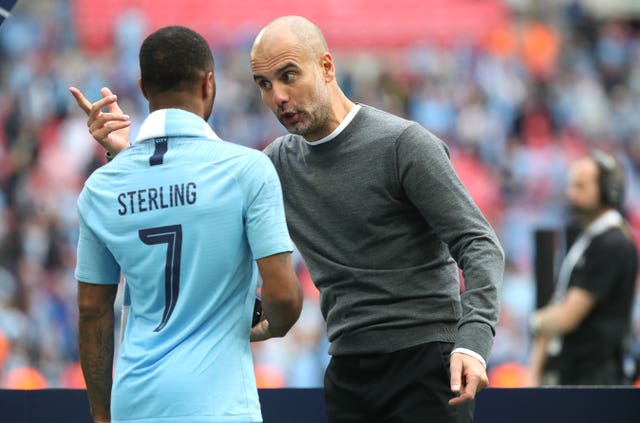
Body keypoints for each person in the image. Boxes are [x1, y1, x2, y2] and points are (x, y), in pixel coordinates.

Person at [73, 16, 504, 423]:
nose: (276, 96)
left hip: (425, 361)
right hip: (346, 369)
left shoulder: (403, 144)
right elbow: (191, 193)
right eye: (264, 83)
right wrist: (127, 158)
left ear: (327, 66)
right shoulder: (273, 163)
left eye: (288, 76)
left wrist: (474, 342)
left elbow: (479, 243)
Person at [72, 25, 302, 423]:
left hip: (134, 402)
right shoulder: (247, 169)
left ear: (143, 88)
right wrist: (268, 327)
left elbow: (92, 310)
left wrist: (101, 415)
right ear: (208, 83)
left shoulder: (102, 186)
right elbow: (284, 297)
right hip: (219, 406)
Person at [528, 150, 638, 386]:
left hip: (597, 378)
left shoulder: (612, 244)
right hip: (579, 373)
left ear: (608, 190)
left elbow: (568, 316)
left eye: (580, 186)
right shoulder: (589, 238)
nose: (570, 194)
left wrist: (536, 321)